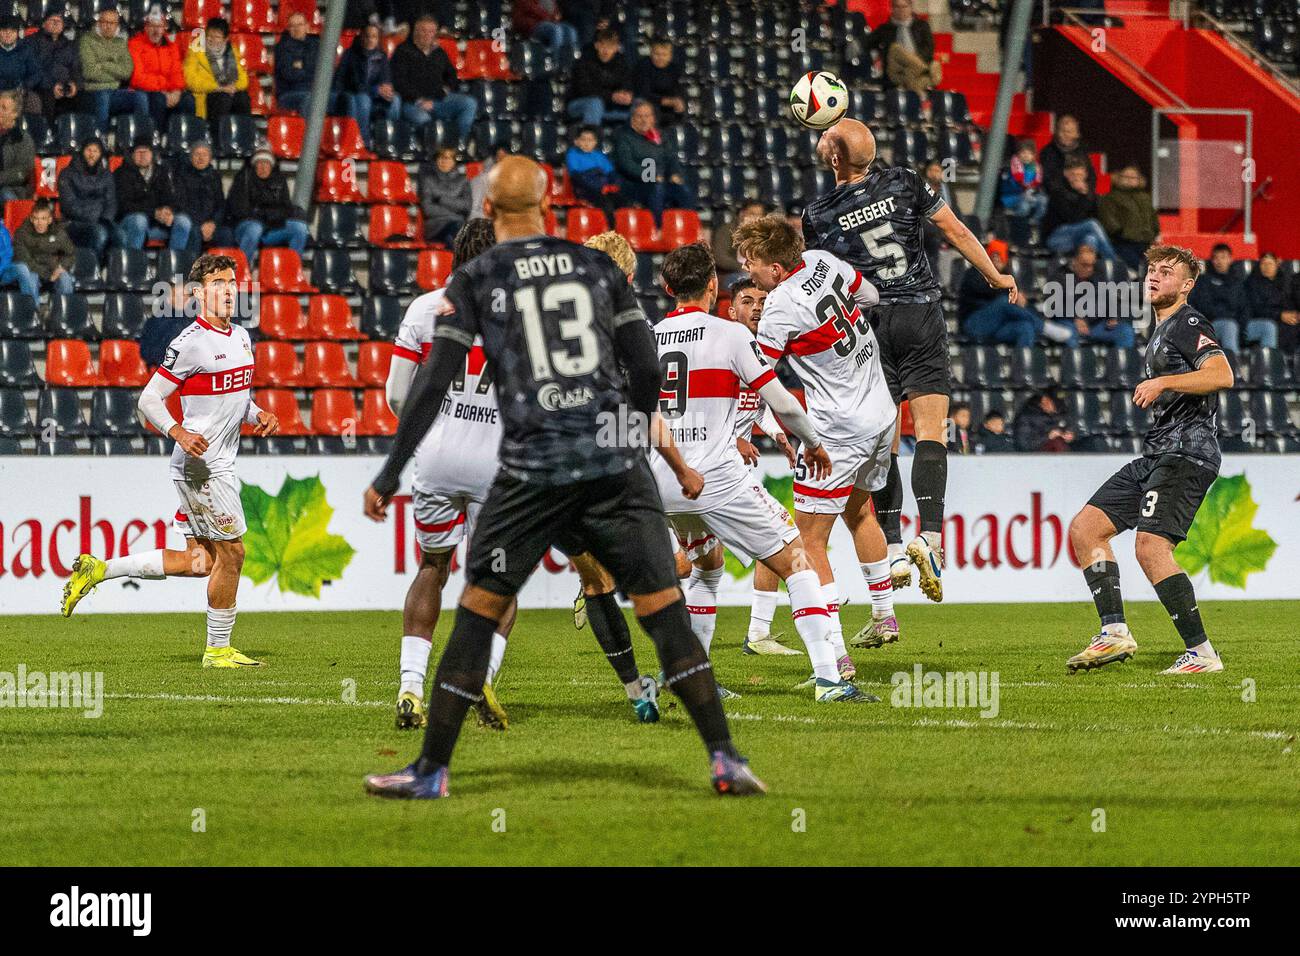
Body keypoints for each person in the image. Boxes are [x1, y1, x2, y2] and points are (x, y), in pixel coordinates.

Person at [362, 155, 764, 799]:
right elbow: (645, 369)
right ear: (549, 207)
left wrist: (388, 474)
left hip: (531, 469)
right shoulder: (599, 267)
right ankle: (725, 759)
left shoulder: (480, 275)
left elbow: (433, 381)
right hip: (612, 465)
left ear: (487, 212)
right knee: (664, 613)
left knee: (476, 614)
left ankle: (431, 771)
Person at [649, 242, 870, 702]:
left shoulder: (648, 337)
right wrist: (813, 441)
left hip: (664, 476)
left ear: (669, 288)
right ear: (713, 285)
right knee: (797, 559)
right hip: (714, 477)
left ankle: (691, 679)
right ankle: (830, 679)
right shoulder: (729, 336)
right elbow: (781, 401)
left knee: (707, 566)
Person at [804, 117, 1015, 598]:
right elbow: (958, 232)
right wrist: (994, 275)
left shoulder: (817, 214)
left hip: (869, 326)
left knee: (883, 442)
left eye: (825, 139)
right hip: (920, 313)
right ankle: (933, 537)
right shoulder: (904, 181)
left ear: (836, 159)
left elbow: (820, 281)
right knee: (930, 430)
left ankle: (896, 547)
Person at [61, 253, 281, 669]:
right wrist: (178, 431)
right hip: (202, 466)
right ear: (198, 293)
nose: (228, 289)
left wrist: (258, 415)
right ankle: (217, 650)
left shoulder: (241, 337)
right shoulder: (190, 342)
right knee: (233, 553)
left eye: (232, 282)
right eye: (218, 283)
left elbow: (237, 397)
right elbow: (149, 399)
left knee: (201, 562)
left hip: (215, 462)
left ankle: (99, 570)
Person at [733, 216, 903, 662]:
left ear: (773, 268)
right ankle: (884, 614)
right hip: (882, 413)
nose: (747, 269)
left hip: (837, 431)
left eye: (751, 262)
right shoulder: (822, 260)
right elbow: (871, 295)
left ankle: (835, 656)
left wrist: (740, 428)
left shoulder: (780, 305)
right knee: (858, 509)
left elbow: (759, 376)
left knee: (807, 541)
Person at [1067, 244, 1234, 675]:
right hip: (1158, 452)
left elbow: (1222, 374)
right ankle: (1114, 632)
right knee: (1087, 529)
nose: (1154, 276)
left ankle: (1201, 653)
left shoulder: (1187, 322)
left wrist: (1162, 382)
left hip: (1187, 452)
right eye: (1152, 270)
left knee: (1150, 546)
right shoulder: (1159, 329)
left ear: (1187, 285)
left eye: (1166, 271)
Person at [724, 274, 801, 658]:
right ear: (730, 308)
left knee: (695, 564)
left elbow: (756, 401)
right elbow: (695, 407)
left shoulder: (756, 348)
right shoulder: (722, 344)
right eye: (747, 300)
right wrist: (731, 439)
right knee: (783, 534)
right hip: (715, 466)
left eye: (762, 299)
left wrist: (778, 435)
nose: (757, 306)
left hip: (720, 468)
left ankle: (759, 632)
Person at [960, 240, 1071, 346]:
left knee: (1025, 328)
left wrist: (1028, 306)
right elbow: (986, 289)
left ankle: (1023, 365)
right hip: (974, 324)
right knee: (1004, 302)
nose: (996, 260)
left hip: (999, 326)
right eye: (993, 256)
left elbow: (1019, 303)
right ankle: (1044, 327)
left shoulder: (1007, 278)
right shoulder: (975, 272)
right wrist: (1010, 293)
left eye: (1000, 257)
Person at [389, 14, 477, 144]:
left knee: (469, 103)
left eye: (431, 31)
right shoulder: (402, 51)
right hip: (412, 103)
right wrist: (420, 100)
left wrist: (446, 90)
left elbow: (452, 76)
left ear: (435, 33)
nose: (427, 34)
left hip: (439, 100)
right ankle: (432, 152)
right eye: (423, 30)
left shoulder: (439, 53)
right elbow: (398, 82)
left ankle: (455, 146)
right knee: (423, 119)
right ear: (415, 31)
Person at [612, 101, 696, 226]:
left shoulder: (661, 136)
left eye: (647, 116)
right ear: (632, 118)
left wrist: (674, 173)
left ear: (653, 118)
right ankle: (658, 228)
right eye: (640, 116)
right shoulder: (624, 137)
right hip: (635, 185)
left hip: (661, 181)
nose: (644, 120)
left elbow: (671, 158)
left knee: (684, 190)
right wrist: (651, 175)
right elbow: (626, 164)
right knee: (657, 188)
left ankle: (687, 227)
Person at [226, 148, 309, 265]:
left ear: (271, 165)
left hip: (272, 227)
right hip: (246, 227)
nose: (263, 167)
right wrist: (266, 215)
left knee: (299, 228)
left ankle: (291, 270)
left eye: (266, 163)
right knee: (255, 228)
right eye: (260, 163)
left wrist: (268, 215)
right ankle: (242, 272)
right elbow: (240, 210)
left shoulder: (280, 180)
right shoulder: (243, 179)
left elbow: (286, 208)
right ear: (255, 165)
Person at [1047, 244, 1136, 347]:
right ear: (1074, 262)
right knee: (1068, 333)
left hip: (1095, 324)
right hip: (1069, 323)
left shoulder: (1098, 275)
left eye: (1092, 265)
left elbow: (1110, 299)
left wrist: (1113, 316)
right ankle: (1077, 362)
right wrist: (1074, 318)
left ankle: (1119, 362)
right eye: (1085, 265)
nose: (1089, 269)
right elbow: (1053, 306)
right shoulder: (1059, 277)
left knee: (1125, 331)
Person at [113, 139, 191, 252]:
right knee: (139, 220)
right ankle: (133, 264)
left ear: (152, 155)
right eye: (139, 152)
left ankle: (173, 264)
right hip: (130, 222)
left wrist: (169, 211)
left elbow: (170, 197)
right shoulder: (121, 173)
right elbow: (124, 205)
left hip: (157, 223)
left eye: (146, 152)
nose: (143, 155)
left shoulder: (161, 172)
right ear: (132, 155)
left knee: (183, 222)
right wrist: (154, 213)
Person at [79, 7, 148, 131]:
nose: (108, 26)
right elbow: (90, 72)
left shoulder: (121, 43)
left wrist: (104, 65)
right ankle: (101, 140)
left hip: (116, 91)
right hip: (93, 91)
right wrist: (115, 70)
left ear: (117, 26)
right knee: (103, 97)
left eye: (112, 23)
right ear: (98, 23)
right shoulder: (87, 40)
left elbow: (127, 72)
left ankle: (140, 140)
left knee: (140, 97)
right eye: (105, 22)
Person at [333, 24, 398, 149]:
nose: (370, 39)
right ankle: (363, 142)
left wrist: (387, 89)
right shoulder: (351, 55)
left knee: (395, 100)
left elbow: (386, 79)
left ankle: (386, 142)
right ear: (362, 37)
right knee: (364, 100)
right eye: (367, 36)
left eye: (374, 36)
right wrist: (375, 90)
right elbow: (352, 83)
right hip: (353, 94)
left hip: (376, 95)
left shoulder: (382, 56)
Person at [129, 8, 194, 129]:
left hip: (169, 91)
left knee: (188, 100)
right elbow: (137, 78)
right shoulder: (135, 44)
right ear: (146, 27)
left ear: (164, 27)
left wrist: (176, 91)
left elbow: (176, 72)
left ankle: (182, 137)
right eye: (152, 26)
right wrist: (164, 88)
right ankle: (156, 136)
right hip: (146, 90)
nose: (156, 30)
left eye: (159, 26)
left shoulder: (172, 46)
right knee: (158, 99)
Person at [1043, 158, 1118, 260]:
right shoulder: (1058, 192)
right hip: (1056, 238)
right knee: (1092, 224)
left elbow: (1095, 217)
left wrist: (1087, 197)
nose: (1077, 178)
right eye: (1073, 175)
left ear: (1085, 174)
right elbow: (1072, 218)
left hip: (1077, 239)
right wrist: (1084, 197)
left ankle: (1085, 274)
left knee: (1091, 239)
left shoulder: (1089, 194)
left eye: (1080, 175)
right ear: (1066, 173)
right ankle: (1115, 263)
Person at [182, 17, 250, 125]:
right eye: (209, 36)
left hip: (229, 91)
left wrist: (233, 87)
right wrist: (218, 87)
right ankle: (218, 138)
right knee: (224, 99)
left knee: (242, 98)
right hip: (208, 93)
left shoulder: (232, 51)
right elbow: (189, 79)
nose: (211, 39)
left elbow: (243, 78)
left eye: (217, 37)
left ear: (225, 39)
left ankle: (243, 137)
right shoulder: (196, 49)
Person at [1188, 243, 1254, 351]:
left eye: (1223, 257)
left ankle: (1272, 365)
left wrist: (1242, 326)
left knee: (1267, 327)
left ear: (1230, 259)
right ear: (1212, 261)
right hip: (1211, 325)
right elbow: (1205, 307)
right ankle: (1233, 365)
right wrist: (1232, 318)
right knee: (1229, 325)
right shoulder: (1204, 281)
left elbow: (1245, 307)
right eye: (1216, 258)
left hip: (1238, 324)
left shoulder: (1237, 282)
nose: (1219, 261)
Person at [864, 0, 941, 93]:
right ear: (892, 8)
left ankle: (917, 82)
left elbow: (929, 50)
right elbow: (866, 44)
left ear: (910, 8)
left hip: (913, 72)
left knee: (917, 76)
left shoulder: (922, 26)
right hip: (897, 71)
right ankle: (923, 71)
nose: (901, 10)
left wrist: (912, 59)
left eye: (904, 7)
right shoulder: (884, 29)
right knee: (895, 49)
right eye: (897, 7)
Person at [58, 137, 116, 257]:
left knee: (120, 236)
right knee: (100, 234)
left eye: (96, 151)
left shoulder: (106, 175)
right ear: (82, 151)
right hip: (74, 222)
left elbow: (111, 202)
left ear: (100, 154)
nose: (92, 154)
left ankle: (113, 270)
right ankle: (93, 269)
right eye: (89, 150)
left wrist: (105, 218)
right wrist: (95, 217)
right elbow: (68, 205)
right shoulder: (67, 173)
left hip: (101, 220)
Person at [12, 198, 76, 308]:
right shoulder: (21, 233)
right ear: (31, 219)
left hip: (52, 269)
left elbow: (70, 253)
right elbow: (25, 260)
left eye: (43, 219)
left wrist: (62, 267)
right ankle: (33, 314)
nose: (39, 223)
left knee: (65, 278)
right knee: (29, 277)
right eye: (36, 219)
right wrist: (48, 275)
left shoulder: (58, 233)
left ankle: (61, 314)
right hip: (33, 269)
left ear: (50, 220)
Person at [172, 140, 232, 253]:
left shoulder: (215, 176)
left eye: (204, 154)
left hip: (210, 224)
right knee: (194, 232)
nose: (201, 158)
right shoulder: (181, 175)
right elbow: (181, 204)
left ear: (210, 158)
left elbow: (220, 205)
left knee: (227, 234)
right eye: (197, 154)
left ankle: (222, 269)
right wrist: (201, 224)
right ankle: (192, 268)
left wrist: (213, 223)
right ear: (191, 157)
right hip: (193, 221)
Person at [566, 28, 632, 128]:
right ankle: (592, 139)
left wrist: (626, 94)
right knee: (595, 103)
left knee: (641, 105)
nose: (606, 50)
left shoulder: (622, 63)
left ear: (616, 48)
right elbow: (584, 90)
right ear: (597, 45)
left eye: (610, 46)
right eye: (603, 45)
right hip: (579, 103)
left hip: (610, 105)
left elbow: (627, 83)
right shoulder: (584, 62)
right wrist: (611, 96)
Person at [1098, 164, 1159, 273]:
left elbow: (1153, 218)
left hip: (1146, 243)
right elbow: (1108, 219)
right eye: (1126, 177)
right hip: (1124, 244)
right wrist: (1120, 234)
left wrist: (1154, 232)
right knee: (1135, 270)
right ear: (1118, 178)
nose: (1129, 180)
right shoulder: (1111, 197)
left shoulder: (1145, 198)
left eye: (1133, 177)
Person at [29, 10, 87, 121]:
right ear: (43, 24)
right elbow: (34, 70)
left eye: (59, 21)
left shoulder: (70, 45)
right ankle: (49, 133)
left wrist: (75, 84)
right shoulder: (32, 42)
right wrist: (52, 86)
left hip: (66, 86)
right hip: (42, 87)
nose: (56, 23)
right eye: (52, 20)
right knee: (46, 97)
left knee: (85, 98)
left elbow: (76, 69)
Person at [563, 125, 619, 222]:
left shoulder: (599, 155)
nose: (586, 143)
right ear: (577, 142)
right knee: (606, 204)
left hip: (602, 186)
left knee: (623, 199)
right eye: (583, 140)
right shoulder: (572, 154)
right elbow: (577, 177)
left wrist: (613, 185)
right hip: (584, 188)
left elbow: (611, 173)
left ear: (595, 142)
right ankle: (612, 230)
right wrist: (597, 187)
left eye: (590, 140)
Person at [418, 147, 471, 246]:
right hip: (436, 226)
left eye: (447, 158)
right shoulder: (428, 180)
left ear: (454, 161)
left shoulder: (463, 181)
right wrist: (453, 214)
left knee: (456, 235)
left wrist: (441, 199)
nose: (443, 161)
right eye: (440, 158)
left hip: (457, 225)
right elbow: (428, 209)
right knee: (455, 236)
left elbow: (466, 206)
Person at [273, 12, 318, 116]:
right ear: (288, 29)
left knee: (345, 99)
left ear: (307, 26)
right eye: (293, 26)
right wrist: (310, 70)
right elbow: (289, 75)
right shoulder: (282, 48)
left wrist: (302, 67)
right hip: (289, 93)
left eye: (300, 25)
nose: (297, 29)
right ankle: (311, 132)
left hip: (315, 90)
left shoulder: (317, 46)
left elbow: (325, 73)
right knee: (311, 100)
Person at [632, 37, 685, 125]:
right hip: (648, 102)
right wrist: (665, 101)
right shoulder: (643, 66)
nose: (660, 58)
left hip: (668, 104)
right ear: (651, 53)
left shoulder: (674, 69)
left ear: (670, 56)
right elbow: (643, 93)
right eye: (657, 54)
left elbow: (678, 90)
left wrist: (677, 102)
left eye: (664, 55)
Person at [1245, 253, 1291, 353]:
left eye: (1270, 264)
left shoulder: (1284, 282)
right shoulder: (1252, 282)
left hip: (1280, 319)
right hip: (1259, 320)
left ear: (1277, 265)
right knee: (1271, 327)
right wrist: (1279, 315)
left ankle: (1291, 362)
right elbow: (1256, 309)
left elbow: (1289, 302)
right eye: (1263, 264)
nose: (1267, 267)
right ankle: (1272, 364)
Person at [712, 201, 765, 285]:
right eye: (752, 214)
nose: (756, 218)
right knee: (747, 278)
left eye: (759, 215)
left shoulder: (763, 234)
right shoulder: (726, 230)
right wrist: (742, 267)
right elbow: (719, 257)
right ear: (742, 214)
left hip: (755, 273)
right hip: (729, 274)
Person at [1038, 114, 1095, 192]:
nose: (1063, 135)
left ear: (1076, 134)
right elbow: (1047, 180)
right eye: (1061, 131)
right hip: (1058, 194)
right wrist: (1070, 186)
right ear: (1056, 132)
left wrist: (1085, 188)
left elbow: (1091, 176)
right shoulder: (1047, 152)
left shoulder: (1082, 151)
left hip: (1081, 192)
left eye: (1068, 132)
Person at [512, 0, 580, 63]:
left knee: (570, 31)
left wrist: (556, 15)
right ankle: (553, 60)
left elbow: (554, 9)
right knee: (556, 31)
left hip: (547, 22)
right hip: (531, 23)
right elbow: (532, 8)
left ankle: (566, 62)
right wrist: (549, 17)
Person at [999, 139, 1047, 224]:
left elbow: (1037, 183)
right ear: (1018, 154)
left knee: (1043, 200)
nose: (1026, 156)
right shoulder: (1013, 167)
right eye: (1023, 153)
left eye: (1029, 153)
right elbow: (1009, 185)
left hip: (1030, 194)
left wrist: (1034, 189)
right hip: (1013, 196)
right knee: (1025, 206)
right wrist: (1022, 187)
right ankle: (1017, 222)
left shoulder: (1036, 167)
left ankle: (1034, 221)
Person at [0, 92, 35, 200]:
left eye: (3, 108)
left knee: (7, 196)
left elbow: (23, 170)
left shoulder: (22, 139)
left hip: (11, 188)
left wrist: (1, 178)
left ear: (15, 114)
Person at [0, 15, 37, 111]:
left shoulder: (25, 49)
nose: (8, 34)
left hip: (19, 91)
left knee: (34, 101)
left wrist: (25, 87)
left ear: (17, 33)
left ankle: (28, 125)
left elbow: (36, 72)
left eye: (12, 31)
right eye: (4, 31)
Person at [468, 142, 506, 220]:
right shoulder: (481, 180)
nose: (503, 160)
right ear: (494, 158)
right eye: (500, 156)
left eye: (507, 157)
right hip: (485, 224)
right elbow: (472, 211)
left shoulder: (516, 182)